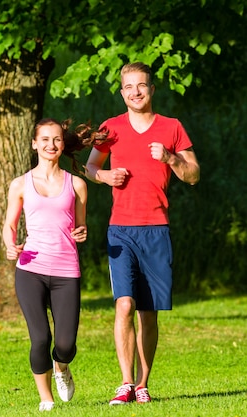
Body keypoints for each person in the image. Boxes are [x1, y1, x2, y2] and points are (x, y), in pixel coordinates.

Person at [85, 62, 201, 405]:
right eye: (129, 87)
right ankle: (124, 383)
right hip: (120, 229)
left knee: (147, 312)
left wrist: (170, 158)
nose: (135, 92)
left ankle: (142, 383)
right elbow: (91, 167)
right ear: (122, 92)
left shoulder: (172, 127)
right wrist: (105, 177)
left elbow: (193, 175)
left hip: (156, 229)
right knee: (124, 304)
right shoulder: (111, 128)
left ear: (151, 89)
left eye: (142, 85)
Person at [2, 118, 104, 412]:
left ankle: (62, 368)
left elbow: (80, 227)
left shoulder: (77, 184)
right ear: (35, 144)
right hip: (30, 269)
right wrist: (11, 244)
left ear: (62, 144)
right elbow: (9, 224)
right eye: (44, 139)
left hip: (66, 271)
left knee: (65, 344)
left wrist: (82, 232)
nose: (51, 145)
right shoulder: (20, 184)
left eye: (56, 139)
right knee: (40, 338)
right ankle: (45, 397)